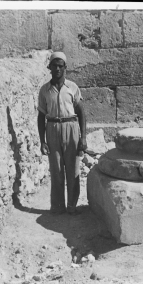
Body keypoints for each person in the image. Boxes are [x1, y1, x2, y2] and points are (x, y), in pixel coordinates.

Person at [37, 52, 87, 215]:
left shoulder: (72, 88)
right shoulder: (45, 90)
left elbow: (81, 112)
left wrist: (83, 137)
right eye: (54, 65)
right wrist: (42, 141)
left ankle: (72, 206)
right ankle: (58, 207)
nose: (57, 69)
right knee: (57, 170)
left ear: (65, 68)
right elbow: (41, 116)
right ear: (49, 68)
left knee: (72, 169)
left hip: (71, 127)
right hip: (52, 129)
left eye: (60, 66)